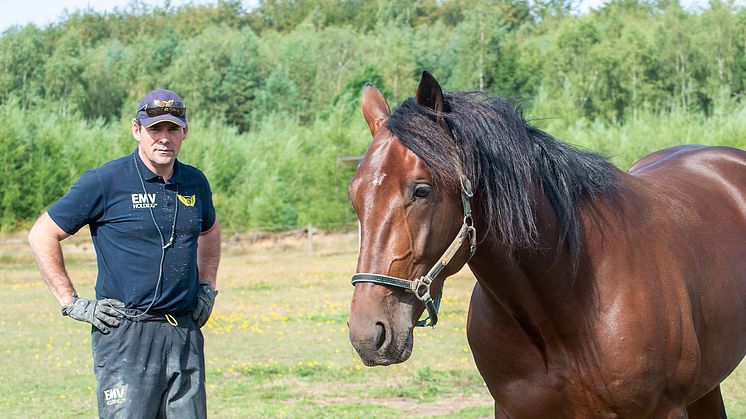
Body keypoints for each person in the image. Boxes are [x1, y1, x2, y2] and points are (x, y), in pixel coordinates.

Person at [28, 88, 221, 418]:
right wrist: (71, 302)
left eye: (172, 129)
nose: (164, 138)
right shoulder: (106, 181)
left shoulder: (195, 182)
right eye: (155, 129)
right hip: (125, 334)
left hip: (184, 333)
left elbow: (210, 231)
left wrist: (207, 287)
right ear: (137, 130)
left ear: (184, 132)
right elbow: (42, 233)